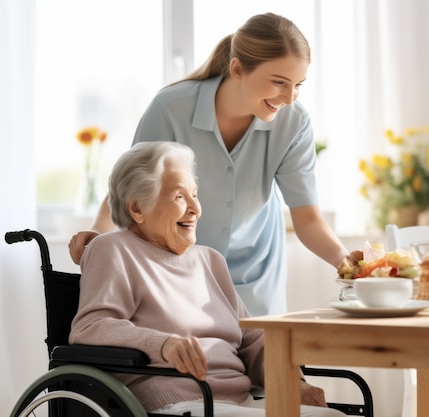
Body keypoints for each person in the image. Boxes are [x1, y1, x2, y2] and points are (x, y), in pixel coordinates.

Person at [69, 12, 362, 316]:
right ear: (238, 69)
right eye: (278, 82)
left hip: (256, 280)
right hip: (177, 274)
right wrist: (98, 232)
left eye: (298, 84)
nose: (289, 97)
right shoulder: (172, 109)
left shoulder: (294, 123)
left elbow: (308, 218)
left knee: (262, 361)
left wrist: (349, 264)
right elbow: (129, 189)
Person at [69, 141, 345, 417]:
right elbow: (91, 327)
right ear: (138, 208)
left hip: (240, 400)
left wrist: (292, 382)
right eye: (179, 197)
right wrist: (163, 344)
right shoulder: (114, 249)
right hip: (179, 402)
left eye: (195, 195)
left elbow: (252, 342)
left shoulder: (210, 261)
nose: (195, 209)